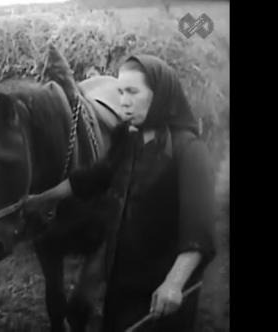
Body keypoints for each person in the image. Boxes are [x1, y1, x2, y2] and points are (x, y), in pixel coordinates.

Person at [25, 54, 216, 331]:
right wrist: (40, 200)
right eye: (120, 92)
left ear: (160, 95)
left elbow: (199, 231)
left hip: (160, 292)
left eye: (133, 92)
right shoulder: (128, 139)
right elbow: (92, 178)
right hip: (121, 280)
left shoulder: (189, 151)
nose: (123, 101)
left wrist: (173, 284)